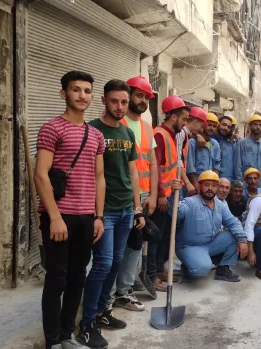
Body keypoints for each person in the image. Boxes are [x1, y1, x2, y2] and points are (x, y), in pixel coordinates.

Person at [34, 71, 106, 349]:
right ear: (63, 94)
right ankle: (52, 341)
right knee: (56, 278)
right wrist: (54, 217)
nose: (82, 96)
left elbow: (99, 177)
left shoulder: (96, 135)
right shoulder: (52, 128)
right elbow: (41, 175)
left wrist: (98, 216)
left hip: (86, 217)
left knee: (78, 276)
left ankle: (66, 336)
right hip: (59, 216)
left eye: (87, 91)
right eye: (75, 90)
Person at [78, 80, 145, 348]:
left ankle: (104, 312)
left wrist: (137, 207)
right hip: (102, 211)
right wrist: (95, 213)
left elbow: (132, 173)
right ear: (104, 100)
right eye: (115, 101)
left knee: (116, 263)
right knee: (103, 264)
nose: (119, 107)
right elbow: (89, 173)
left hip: (126, 209)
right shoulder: (92, 130)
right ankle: (88, 322)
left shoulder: (128, 134)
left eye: (124, 102)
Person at [112, 76, 158, 312]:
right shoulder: (117, 124)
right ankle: (109, 295)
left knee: (134, 246)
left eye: (146, 97)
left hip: (142, 196)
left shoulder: (145, 127)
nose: (143, 100)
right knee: (113, 249)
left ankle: (124, 289)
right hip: (119, 197)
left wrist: (152, 194)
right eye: (139, 95)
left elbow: (152, 164)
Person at [169, 170, 246, 282]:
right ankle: (188, 267)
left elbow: (233, 222)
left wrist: (242, 240)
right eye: (206, 185)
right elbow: (176, 213)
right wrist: (174, 195)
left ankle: (223, 269)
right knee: (202, 269)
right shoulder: (190, 202)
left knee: (235, 235)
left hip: (211, 244)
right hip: (190, 246)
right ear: (199, 186)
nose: (210, 188)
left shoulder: (220, 205)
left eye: (214, 185)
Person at [148, 95, 191, 292]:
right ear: (173, 117)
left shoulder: (171, 136)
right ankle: (152, 275)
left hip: (169, 193)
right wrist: (161, 195)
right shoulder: (159, 135)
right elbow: (155, 168)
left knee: (164, 235)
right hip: (161, 196)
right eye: (183, 119)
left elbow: (170, 166)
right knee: (155, 237)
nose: (184, 124)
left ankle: (157, 270)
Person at [187, 112, 221, 189]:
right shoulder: (192, 142)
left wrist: (214, 185)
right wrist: (196, 186)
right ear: (203, 125)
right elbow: (190, 167)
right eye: (209, 125)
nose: (212, 128)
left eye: (214, 126)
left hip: (209, 186)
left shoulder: (215, 144)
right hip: (195, 184)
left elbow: (216, 166)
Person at [235, 114, 261, 188]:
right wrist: (241, 184)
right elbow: (238, 166)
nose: (258, 127)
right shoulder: (241, 144)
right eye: (255, 124)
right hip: (246, 185)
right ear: (250, 126)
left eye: (260, 125)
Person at [214, 115, 238, 181]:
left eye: (230, 127)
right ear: (218, 124)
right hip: (217, 179)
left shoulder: (235, 142)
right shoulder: (212, 139)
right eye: (224, 124)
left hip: (232, 180)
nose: (226, 128)